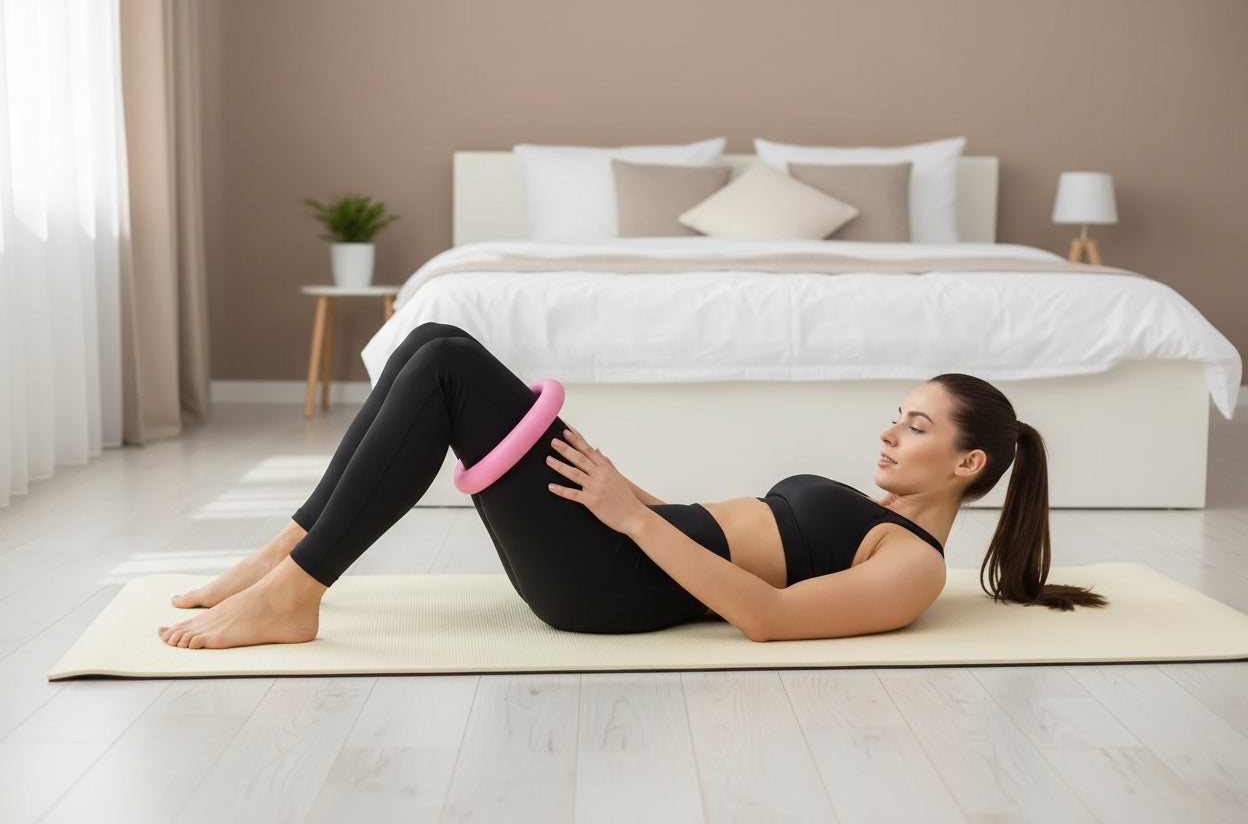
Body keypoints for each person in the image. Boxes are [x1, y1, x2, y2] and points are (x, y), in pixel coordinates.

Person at [157, 322, 1106, 650]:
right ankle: (278, 560)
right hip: (625, 534)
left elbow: (766, 620)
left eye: (917, 425)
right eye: (898, 415)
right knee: (432, 344)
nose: (891, 432)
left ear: (969, 463)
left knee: (448, 370)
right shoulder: (873, 517)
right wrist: (625, 492)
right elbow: (720, 524)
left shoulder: (912, 565)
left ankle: (296, 593)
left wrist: (625, 520)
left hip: (609, 584)